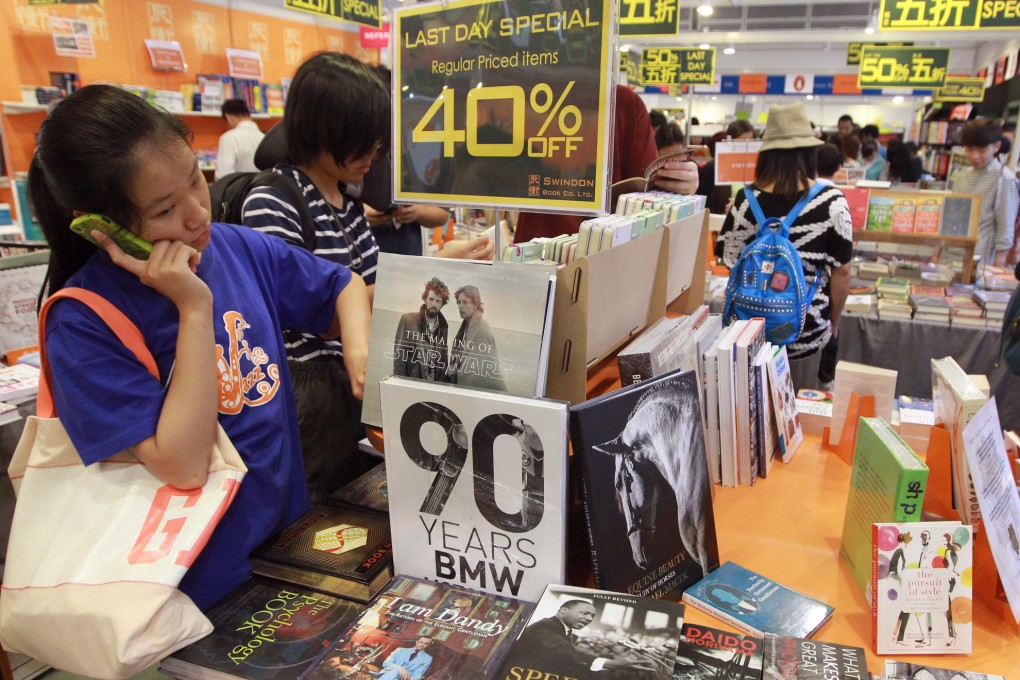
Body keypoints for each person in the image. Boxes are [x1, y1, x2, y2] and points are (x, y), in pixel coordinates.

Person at [27, 84, 370, 611]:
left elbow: (340, 286)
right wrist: (193, 308)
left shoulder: (236, 246)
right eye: (165, 209)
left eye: (196, 180)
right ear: (99, 226)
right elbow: (183, 466)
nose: (196, 215)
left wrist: (359, 353)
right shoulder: (83, 319)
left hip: (289, 547)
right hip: (194, 588)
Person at [240, 52, 386, 504]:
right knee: (320, 519)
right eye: (359, 142)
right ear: (321, 132)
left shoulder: (346, 202)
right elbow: (312, 312)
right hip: (309, 396)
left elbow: (370, 294)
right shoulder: (273, 199)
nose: (372, 155)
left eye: (375, 142)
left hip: (353, 385)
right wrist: (384, 292)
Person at [717, 102, 853, 391]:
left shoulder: (744, 199)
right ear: (809, 153)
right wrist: (834, 323)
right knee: (797, 421)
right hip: (806, 333)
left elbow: (729, 260)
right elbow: (842, 274)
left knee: (747, 424)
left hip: (748, 335)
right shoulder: (832, 201)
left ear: (765, 154)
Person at [513, 85, 699, 242]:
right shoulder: (527, 94)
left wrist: (679, 183)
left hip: (605, 252)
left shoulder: (625, 104)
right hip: (540, 251)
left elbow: (649, 192)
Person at [506, 599, 657, 677]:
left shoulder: (563, 629)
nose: (589, 618)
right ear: (563, 610)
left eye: (592, 616)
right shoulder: (546, 626)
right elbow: (564, 652)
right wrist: (611, 663)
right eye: (584, 613)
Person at [949, 118, 1019, 266]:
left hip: (979, 260)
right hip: (950, 255)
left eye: (982, 150)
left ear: (996, 146)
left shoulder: (1004, 179)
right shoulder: (961, 175)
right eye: (969, 149)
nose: (974, 156)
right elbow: (951, 218)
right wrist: (937, 251)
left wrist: (998, 265)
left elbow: (1005, 228)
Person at [447, 285, 506, 390]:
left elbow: (489, 372)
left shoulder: (483, 330)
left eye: (465, 302)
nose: (460, 306)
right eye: (459, 302)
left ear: (475, 304)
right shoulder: (466, 327)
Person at [392, 277, 451, 381]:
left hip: (433, 386)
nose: (433, 304)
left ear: (442, 304)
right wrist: (399, 384)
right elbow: (399, 358)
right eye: (431, 299)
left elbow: (444, 359)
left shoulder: (444, 327)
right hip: (412, 383)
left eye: (438, 301)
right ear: (425, 298)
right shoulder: (408, 320)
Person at [698, 120, 756, 215]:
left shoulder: (758, 168)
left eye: (751, 141)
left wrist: (739, 206)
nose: (747, 146)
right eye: (742, 141)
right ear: (730, 142)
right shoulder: (713, 168)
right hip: (718, 223)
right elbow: (702, 202)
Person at [215, 98, 264, 179]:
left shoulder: (229, 138)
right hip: (262, 188)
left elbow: (223, 175)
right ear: (249, 115)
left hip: (239, 189)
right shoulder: (264, 137)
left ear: (228, 117)